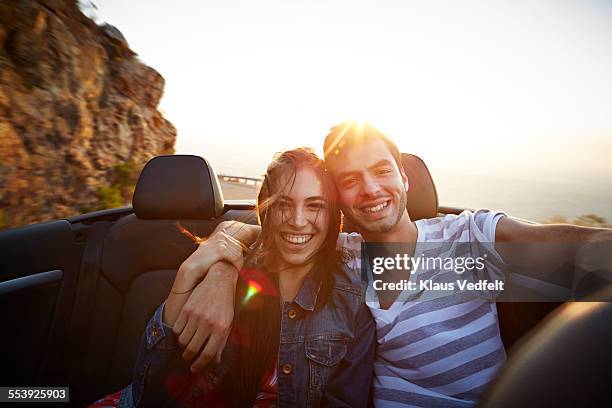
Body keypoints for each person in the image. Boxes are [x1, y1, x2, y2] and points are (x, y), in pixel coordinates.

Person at [172, 122, 612, 407]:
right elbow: (266, 231)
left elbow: (574, 246)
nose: (369, 189)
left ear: (404, 178)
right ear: (339, 198)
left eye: (382, 171)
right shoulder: (338, 254)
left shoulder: (468, 240)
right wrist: (222, 268)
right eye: (350, 180)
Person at [90, 148, 376, 407]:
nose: (298, 220)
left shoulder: (351, 290)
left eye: (315, 205)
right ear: (266, 208)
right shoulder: (221, 265)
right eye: (284, 204)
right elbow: (148, 395)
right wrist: (192, 276)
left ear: (332, 215)